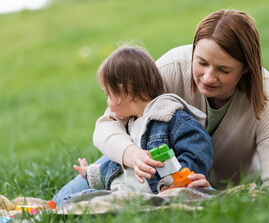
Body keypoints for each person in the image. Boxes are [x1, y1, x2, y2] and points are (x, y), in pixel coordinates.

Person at [53, 9, 269, 205]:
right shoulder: (173, 67)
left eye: (223, 70)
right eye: (201, 62)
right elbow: (109, 123)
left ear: (245, 69)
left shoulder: (264, 94)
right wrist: (131, 154)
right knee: (58, 205)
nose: (208, 77)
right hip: (149, 177)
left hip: (215, 190)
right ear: (193, 51)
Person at [55, 46, 213, 205]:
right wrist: (91, 174)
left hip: (148, 197)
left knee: (80, 203)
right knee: (75, 200)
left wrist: (175, 184)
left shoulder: (170, 117)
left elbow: (198, 147)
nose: (107, 102)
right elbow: (119, 168)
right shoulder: (130, 123)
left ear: (126, 91)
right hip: (122, 194)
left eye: (108, 94)